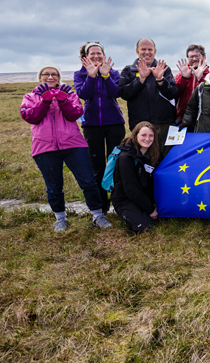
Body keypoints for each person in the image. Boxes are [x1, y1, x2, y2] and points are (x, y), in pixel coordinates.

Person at [20, 65, 112, 232]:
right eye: (46, 74)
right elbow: (30, 117)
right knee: (54, 186)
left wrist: (62, 100)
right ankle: (60, 219)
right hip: (44, 147)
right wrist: (44, 101)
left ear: (59, 77)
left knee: (88, 181)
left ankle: (98, 215)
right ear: (40, 77)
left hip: (74, 145)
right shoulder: (30, 96)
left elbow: (75, 114)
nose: (50, 77)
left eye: (54, 74)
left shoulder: (69, 94)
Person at [73, 41, 126, 213]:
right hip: (92, 125)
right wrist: (91, 75)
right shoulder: (79, 74)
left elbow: (115, 93)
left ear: (103, 55)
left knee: (116, 164)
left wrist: (105, 76)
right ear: (85, 57)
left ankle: (119, 204)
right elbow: (84, 94)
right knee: (97, 166)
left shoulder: (113, 73)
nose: (96, 56)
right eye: (92, 53)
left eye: (99, 53)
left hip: (115, 124)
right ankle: (101, 208)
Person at [118, 38, 178, 155]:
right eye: (143, 49)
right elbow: (124, 94)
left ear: (155, 51)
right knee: (143, 159)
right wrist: (141, 79)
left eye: (150, 49)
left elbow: (173, 93)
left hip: (164, 124)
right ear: (137, 51)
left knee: (164, 159)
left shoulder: (164, 69)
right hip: (140, 125)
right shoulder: (128, 70)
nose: (147, 52)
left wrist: (160, 80)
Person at [111, 121, 160, 234]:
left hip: (143, 196)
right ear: (135, 135)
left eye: (151, 135)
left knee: (163, 219)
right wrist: (151, 209)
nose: (147, 139)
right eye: (143, 135)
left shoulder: (154, 152)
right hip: (124, 199)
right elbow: (131, 189)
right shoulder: (125, 157)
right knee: (146, 228)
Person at [175, 44, 209, 124]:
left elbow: (209, 95)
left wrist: (200, 78)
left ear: (204, 57)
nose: (194, 59)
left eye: (197, 56)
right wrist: (184, 78)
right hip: (182, 117)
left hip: (204, 118)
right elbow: (175, 95)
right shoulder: (180, 75)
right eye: (191, 57)